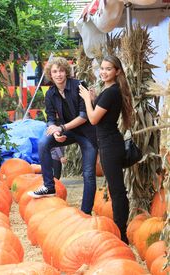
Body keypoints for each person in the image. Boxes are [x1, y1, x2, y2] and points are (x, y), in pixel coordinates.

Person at [28, 57, 98, 215]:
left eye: (61, 70)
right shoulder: (50, 94)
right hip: (68, 130)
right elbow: (51, 119)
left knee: (88, 173)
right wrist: (56, 131)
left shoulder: (79, 86)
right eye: (54, 71)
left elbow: (84, 116)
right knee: (43, 142)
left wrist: (61, 127)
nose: (58, 74)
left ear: (66, 72)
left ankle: (85, 213)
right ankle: (49, 185)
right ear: (50, 75)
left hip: (87, 133)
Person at [79, 55, 133, 244]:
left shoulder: (111, 92)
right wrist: (94, 99)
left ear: (117, 71)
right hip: (109, 143)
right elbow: (101, 117)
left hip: (110, 145)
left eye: (108, 69)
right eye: (101, 68)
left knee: (117, 191)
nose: (103, 72)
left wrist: (86, 99)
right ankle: (120, 230)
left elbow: (93, 119)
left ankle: (121, 234)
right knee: (115, 189)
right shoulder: (109, 90)